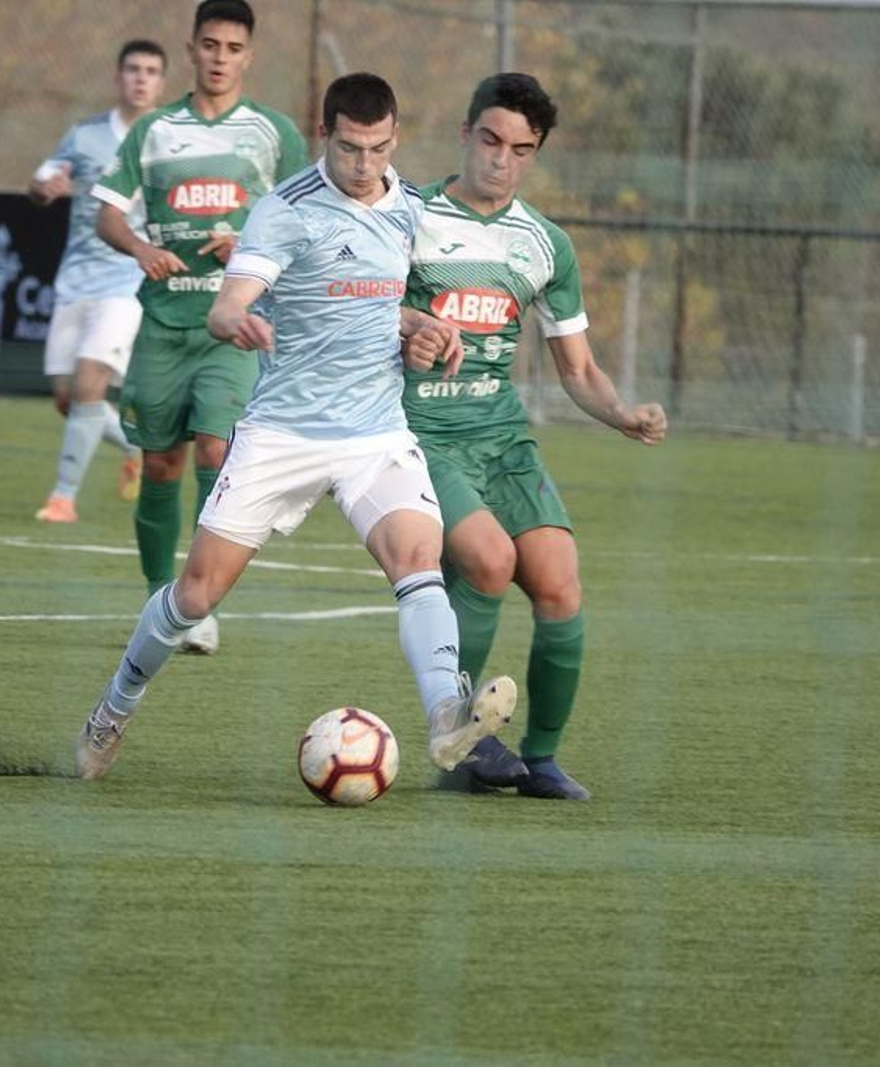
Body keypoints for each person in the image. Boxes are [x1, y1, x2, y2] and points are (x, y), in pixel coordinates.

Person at [74, 73, 519, 783]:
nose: (363, 164)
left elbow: (382, 306)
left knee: (419, 559)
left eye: (377, 149)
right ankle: (114, 707)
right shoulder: (286, 209)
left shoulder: (409, 207)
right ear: (324, 135)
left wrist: (425, 326)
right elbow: (230, 304)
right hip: (284, 432)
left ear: (395, 139)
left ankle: (445, 713)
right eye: (349, 148)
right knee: (196, 595)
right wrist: (236, 321)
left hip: (374, 432)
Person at [401, 73, 668, 801]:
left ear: (535, 152)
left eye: (521, 149)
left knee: (558, 579)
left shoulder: (545, 243)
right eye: (491, 140)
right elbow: (362, 307)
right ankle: (461, 742)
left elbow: (577, 368)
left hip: (501, 437)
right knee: (489, 561)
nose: (502, 159)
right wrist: (406, 331)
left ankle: (541, 759)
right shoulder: (409, 217)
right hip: (420, 433)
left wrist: (621, 413)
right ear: (465, 134)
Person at [90, 0, 308, 654]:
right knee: (161, 463)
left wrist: (247, 243)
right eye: (210, 45)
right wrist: (140, 248)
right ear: (191, 50)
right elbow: (107, 212)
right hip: (163, 323)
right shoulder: (154, 130)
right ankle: (160, 593)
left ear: (249, 56)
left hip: (235, 326)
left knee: (217, 448)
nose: (220, 58)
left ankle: (197, 598)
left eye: (233, 48)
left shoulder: (274, 133)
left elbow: (305, 221)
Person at [31, 40, 168, 524]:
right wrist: (44, 188)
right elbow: (43, 178)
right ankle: (134, 447)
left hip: (127, 280)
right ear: (118, 76)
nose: (141, 78)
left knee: (90, 384)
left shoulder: (169, 139)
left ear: (161, 82)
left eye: (151, 71)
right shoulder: (86, 135)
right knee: (68, 398)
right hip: (76, 279)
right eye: (133, 69)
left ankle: (63, 498)